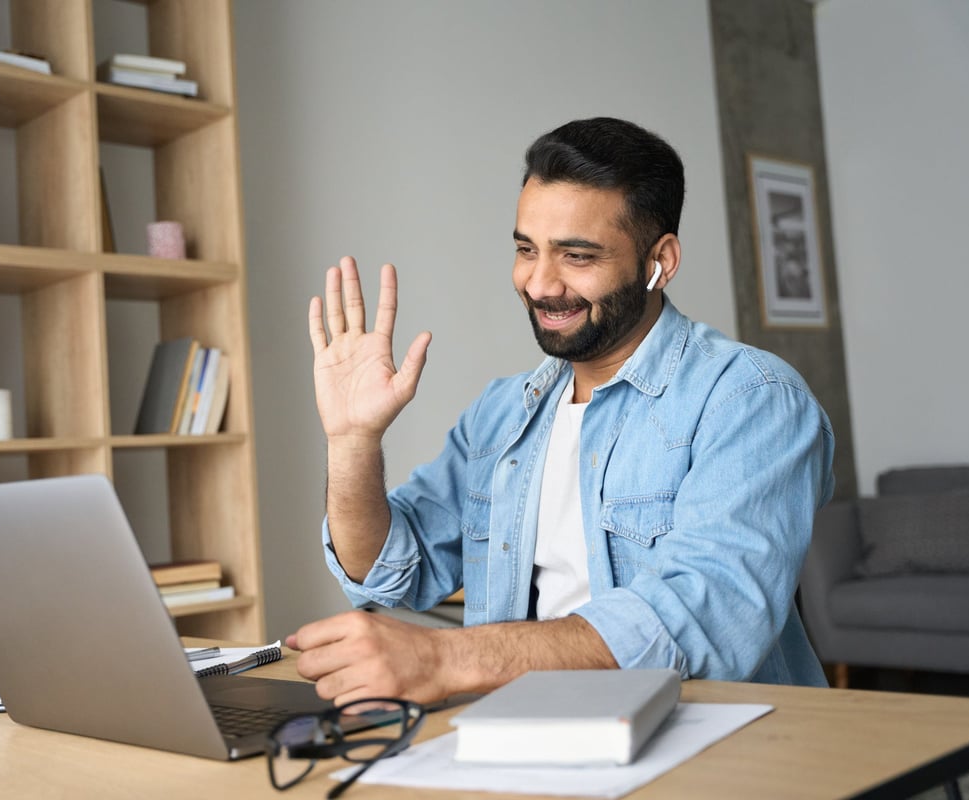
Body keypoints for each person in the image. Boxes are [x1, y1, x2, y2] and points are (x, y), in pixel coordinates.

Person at [288, 117, 835, 706]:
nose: (541, 284)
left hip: (716, 750)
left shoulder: (751, 398)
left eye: (577, 256)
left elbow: (708, 613)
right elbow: (391, 569)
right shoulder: (501, 414)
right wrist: (351, 443)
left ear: (661, 261)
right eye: (527, 250)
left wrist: (444, 658)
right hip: (526, 737)